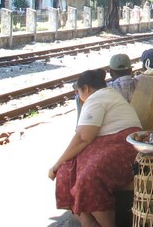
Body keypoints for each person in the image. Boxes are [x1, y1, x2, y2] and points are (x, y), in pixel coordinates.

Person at [50, 70, 142, 227]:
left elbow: (83, 137)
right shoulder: (107, 95)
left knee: (90, 177)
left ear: (85, 89)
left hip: (123, 146)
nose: (79, 96)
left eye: (78, 91)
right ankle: (89, 223)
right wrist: (61, 165)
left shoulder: (97, 99)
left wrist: (56, 163)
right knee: (66, 172)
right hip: (109, 145)